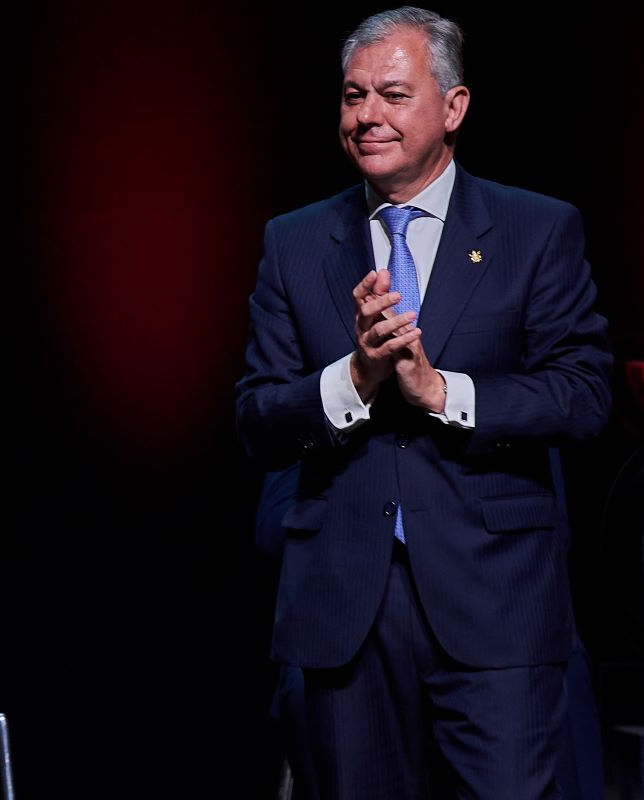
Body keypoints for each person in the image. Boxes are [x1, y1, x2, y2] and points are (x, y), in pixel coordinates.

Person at [234, 7, 611, 798]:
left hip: (495, 604)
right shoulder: (294, 241)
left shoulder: (535, 229)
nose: (366, 115)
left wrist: (442, 392)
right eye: (352, 95)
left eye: (393, 94)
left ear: (453, 107)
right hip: (344, 611)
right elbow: (258, 421)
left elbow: (582, 397)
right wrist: (356, 379)